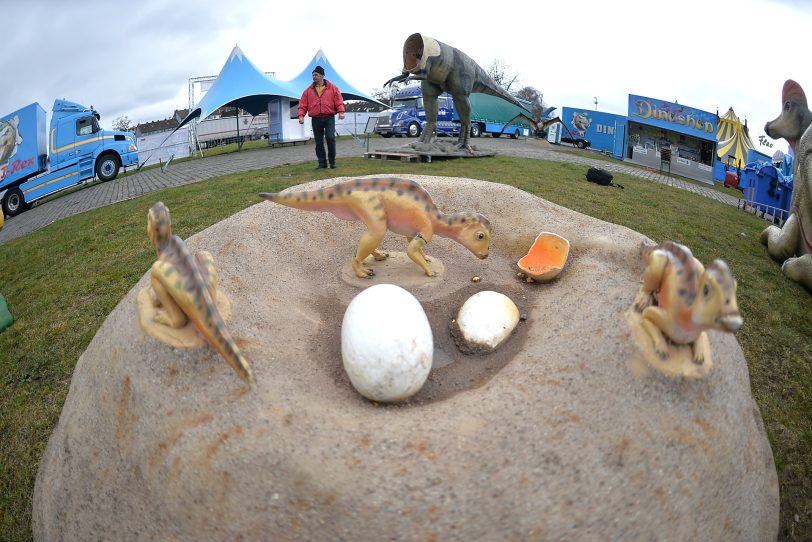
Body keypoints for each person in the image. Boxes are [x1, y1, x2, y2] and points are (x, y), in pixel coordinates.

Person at [298, 65, 345, 169]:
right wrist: (301, 116)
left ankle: (332, 161)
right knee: (318, 142)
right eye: (313, 75)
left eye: (316, 75)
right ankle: (322, 163)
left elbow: (339, 101)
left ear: (322, 76)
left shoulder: (333, 88)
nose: (314, 77)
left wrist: (341, 112)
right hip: (316, 119)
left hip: (329, 117)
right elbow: (302, 105)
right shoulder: (308, 91)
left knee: (330, 137)